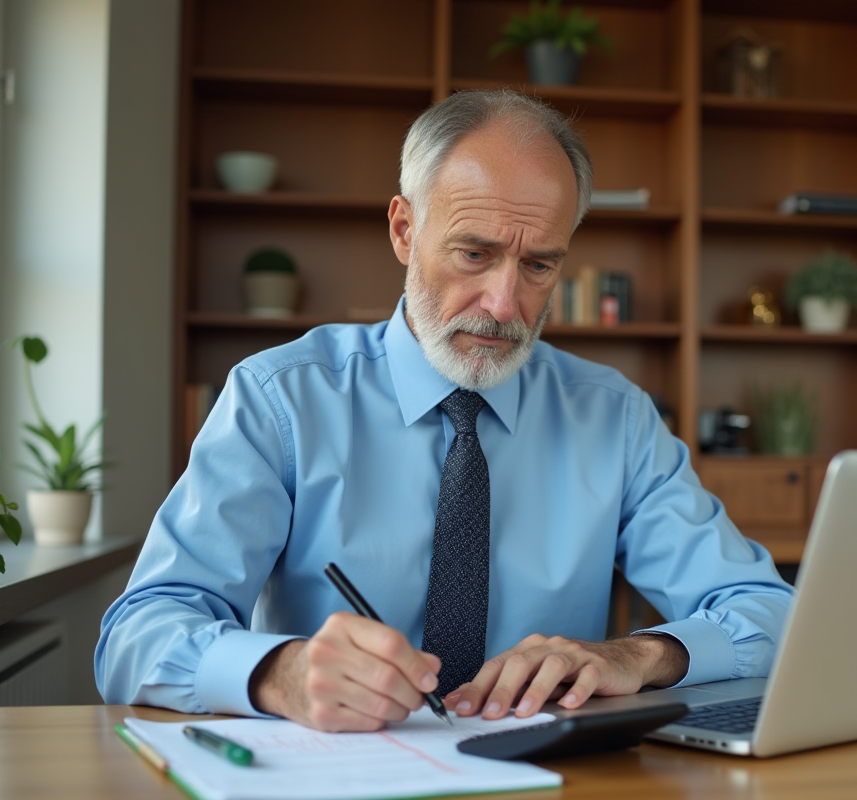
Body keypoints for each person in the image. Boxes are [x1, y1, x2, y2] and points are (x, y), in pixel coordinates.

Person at [96, 89, 793, 733]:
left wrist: (640, 656)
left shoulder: (616, 420)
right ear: (405, 230)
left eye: (539, 266)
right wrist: (278, 674)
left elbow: (771, 613)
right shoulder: (280, 401)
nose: (503, 303)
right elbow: (136, 636)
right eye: (474, 252)